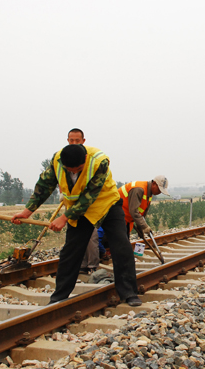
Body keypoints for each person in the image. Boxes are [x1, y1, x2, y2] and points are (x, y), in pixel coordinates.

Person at [11, 143, 142, 307]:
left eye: (77, 169)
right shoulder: (57, 160)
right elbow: (44, 185)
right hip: (79, 211)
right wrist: (27, 211)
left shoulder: (99, 162)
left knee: (121, 247)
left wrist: (64, 218)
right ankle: (59, 296)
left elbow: (90, 196)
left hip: (106, 204)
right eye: (69, 169)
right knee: (71, 251)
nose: (73, 172)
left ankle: (129, 293)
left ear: (85, 159)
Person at [66, 128, 100, 275]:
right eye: (71, 140)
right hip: (72, 205)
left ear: (83, 141)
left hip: (88, 203)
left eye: (77, 141)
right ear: (67, 141)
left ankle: (92, 265)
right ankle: (81, 264)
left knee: (90, 235)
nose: (74, 143)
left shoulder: (91, 159)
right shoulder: (65, 157)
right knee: (76, 236)